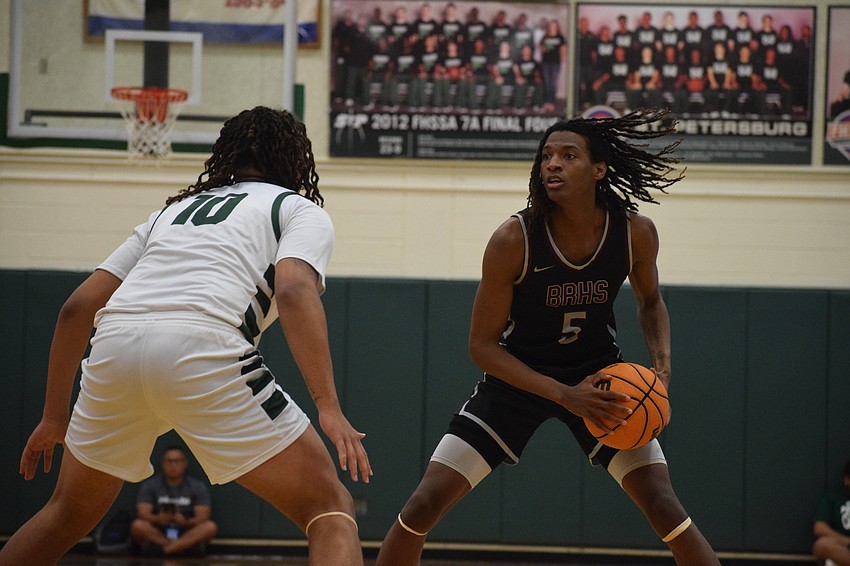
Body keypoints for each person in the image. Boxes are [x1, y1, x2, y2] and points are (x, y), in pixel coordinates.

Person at [0, 107, 372, 566]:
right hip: (204, 347)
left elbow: (76, 309)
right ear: (296, 160)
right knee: (329, 510)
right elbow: (294, 290)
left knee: (65, 514)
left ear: (226, 155)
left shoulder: (170, 212)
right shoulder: (295, 209)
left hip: (113, 347)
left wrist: (54, 417)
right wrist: (328, 407)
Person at [375, 107, 720, 566]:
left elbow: (650, 301)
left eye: (568, 155)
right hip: (518, 380)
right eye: (546, 156)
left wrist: (662, 365)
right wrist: (561, 394)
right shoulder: (513, 239)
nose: (552, 163)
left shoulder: (635, 233)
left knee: (664, 506)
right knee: (424, 503)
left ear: (600, 169)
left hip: (600, 380)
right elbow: (481, 347)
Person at [130, 446, 217, 556]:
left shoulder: (197, 486)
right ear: (162, 464)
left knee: (210, 527)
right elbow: (143, 513)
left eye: (177, 461)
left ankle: (164, 551)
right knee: (137, 526)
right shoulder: (150, 485)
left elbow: (203, 517)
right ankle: (180, 548)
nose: (173, 465)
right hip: (159, 530)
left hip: (186, 530)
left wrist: (185, 521)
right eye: (169, 461)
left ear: (185, 464)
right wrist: (158, 518)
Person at [812, 459, 850, 566]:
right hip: (842, 548)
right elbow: (819, 528)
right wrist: (847, 540)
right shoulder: (833, 498)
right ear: (847, 480)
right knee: (821, 545)